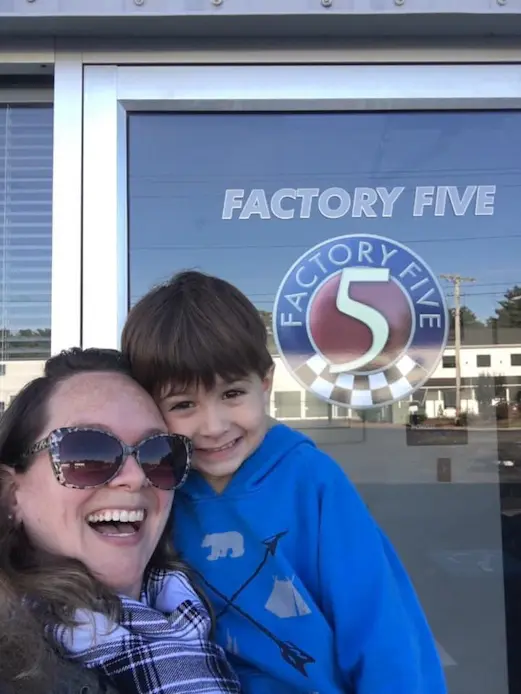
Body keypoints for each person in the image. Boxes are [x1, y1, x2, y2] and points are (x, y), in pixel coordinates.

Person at [121, 270, 447, 694]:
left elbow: (381, 625)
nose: (213, 426)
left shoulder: (311, 481)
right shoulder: (159, 490)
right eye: (183, 404)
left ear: (265, 385)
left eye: (232, 394)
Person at [0, 347, 240, 694]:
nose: (136, 477)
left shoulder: (224, 621)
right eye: (87, 452)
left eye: (158, 453)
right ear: (11, 494)